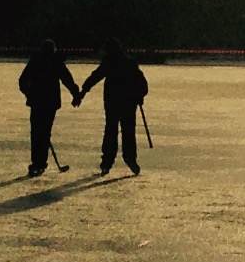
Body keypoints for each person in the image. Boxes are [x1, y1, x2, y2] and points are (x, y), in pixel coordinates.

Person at [77, 39, 149, 176]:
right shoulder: (129, 62)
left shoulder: (110, 61)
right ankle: (130, 158)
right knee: (128, 132)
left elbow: (96, 76)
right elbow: (142, 84)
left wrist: (82, 92)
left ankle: (107, 162)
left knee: (111, 131)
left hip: (113, 103)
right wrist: (139, 96)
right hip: (128, 103)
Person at [19, 41, 82, 177]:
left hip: (37, 102)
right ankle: (40, 162)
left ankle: (37, 163)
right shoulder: (55, 61)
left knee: (37, 132)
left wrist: (29, 93)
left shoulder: (35, 61)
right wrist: (76, 95)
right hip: (49, 102)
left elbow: (22, 81)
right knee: (45, 132)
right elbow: (68, 80)